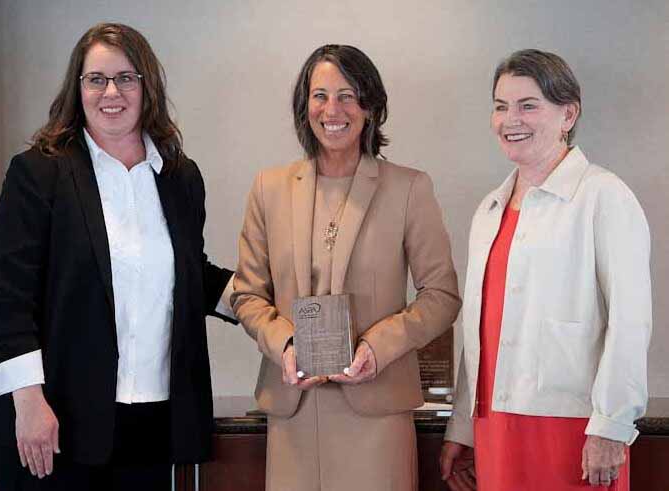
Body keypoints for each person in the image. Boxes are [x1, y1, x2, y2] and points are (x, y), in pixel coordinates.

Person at [0, 22, 235, 490]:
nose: (111, 91)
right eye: (96, 79)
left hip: (150, 423)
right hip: (55, 423)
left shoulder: (179, 177)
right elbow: (9, 302)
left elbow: (190, 275)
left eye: (126, 78)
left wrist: (265, 298)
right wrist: (29, 402)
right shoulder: (38, 173)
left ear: (146, 86)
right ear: (78, 88)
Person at [231, 44, 461, 491]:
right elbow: (247, 294)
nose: (332, 109)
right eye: (320, 95)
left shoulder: (409, 188)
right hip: (293, 410)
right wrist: (285, 344)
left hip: (377, 414)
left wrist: (379, 347)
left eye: (348, 95)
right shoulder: (269, 188)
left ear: (370, 107)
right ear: (305, 106)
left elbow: (442, 296)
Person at [440, 49, 652, 491]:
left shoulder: (603, 196)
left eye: (528, 105)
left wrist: (612, 426)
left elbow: (630, 322)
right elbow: (480, 333)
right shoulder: (489, 209)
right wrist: (462, 426)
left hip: (573, 427)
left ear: (568, 114)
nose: (510, 119)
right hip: (494, 423)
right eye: (501, 106)